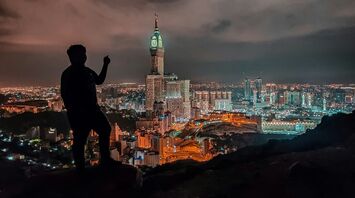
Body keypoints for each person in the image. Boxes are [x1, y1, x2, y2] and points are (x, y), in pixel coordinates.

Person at [61, 44, 119, 171]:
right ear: (72, 57)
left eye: (84, 54)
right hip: (80, 113)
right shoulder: (68, 74)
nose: (84, 57)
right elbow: (65, 95)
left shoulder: (87, 71)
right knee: (80, 141)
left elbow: (99, 80)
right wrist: (73, 112)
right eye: (81, 54)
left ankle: (105, 160)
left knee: (105, 130)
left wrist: (105, 64)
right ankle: (80, 169)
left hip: (92, 110)